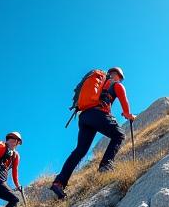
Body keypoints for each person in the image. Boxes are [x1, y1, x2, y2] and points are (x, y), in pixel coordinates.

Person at [51, 67, 136, 199]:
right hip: (98, 114)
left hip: (84, 117)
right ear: (119, 76)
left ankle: (59, 182)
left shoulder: (99, 84)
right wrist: (128, 115)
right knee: (119, 135)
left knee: (80, 151)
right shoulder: (116, 84)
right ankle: (105, 165)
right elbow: (124, 104)